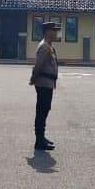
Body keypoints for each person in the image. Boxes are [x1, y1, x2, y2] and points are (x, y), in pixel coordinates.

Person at [30, 21, 60, 151]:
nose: (56, 33)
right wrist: (33, 78)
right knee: (42, 111)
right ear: (48, 32)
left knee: (45, 110)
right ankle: (39, 140)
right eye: (54, 30)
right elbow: (39, 65)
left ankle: (42, 137)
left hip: (48, 83)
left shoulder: (48, 46)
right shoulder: (44, 47)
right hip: (43, 82)